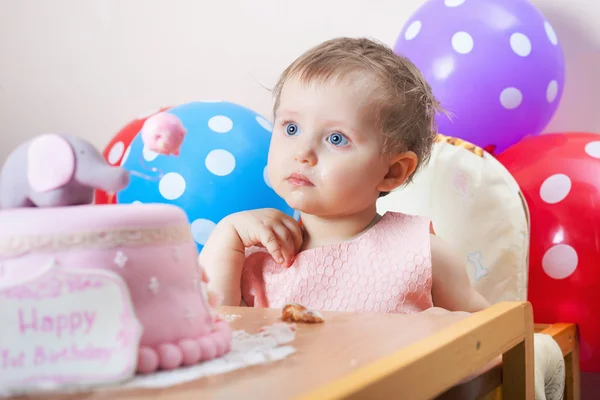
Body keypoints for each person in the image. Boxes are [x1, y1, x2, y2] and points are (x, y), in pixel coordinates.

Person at [200, 37, 490, 314]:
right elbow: (209, 334)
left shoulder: (420, 255)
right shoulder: (258, 258)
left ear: (392, 171)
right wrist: (226, 236)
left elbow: (496, 339)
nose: (303, 152)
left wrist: (445, 331)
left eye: (336, 139)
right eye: (291, 128)